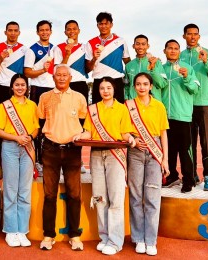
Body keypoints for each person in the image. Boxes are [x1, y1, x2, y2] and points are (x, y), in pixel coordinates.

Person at [73, 77, 134, 255]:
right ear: (98, 91)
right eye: (102, 88)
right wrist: (79, 135)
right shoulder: (93, 110)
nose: (105, 91)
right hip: (97, 154)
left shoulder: (122, 109)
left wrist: (129, 138)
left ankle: (115, 241)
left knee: (115, 198)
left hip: (116, 155)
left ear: (114, 90)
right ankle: (104, 236)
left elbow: (124, 133)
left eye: (108, 88)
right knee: (99, 197)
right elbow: (89, 132)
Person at [37, 64, 87, 251]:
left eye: (65, 75)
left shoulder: (79, 98)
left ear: (70, 77)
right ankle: (48, 235)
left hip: (73, 149)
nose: (62, 78)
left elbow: (83, 121)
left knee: (74, 194)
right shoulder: (45, 97)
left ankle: (75, 235)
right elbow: (41, 119)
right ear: (53, 77)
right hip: (50, 148)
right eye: (58, 75)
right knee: (50, 195)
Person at [126, 72, 169, 256]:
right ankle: (139, 239)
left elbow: (163, 132)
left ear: (151, 86)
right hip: (135, 151)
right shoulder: (129, 106)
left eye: (145, 84)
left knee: (152, 197)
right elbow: (124, 131)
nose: (142, 87)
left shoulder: (158, 106)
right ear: (134, 87)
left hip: (155, 150)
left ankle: (151, 240)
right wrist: (133, 139)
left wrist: (165, 159)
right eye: (138, 84)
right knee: (136, 197)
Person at [0, 74, 39, 247]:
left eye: (23, 85)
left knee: (25, 190)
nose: (20, 87)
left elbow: (36, 128)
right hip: (10, 148)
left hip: (27, 148)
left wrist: (28, 137)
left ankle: (22, 230)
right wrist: (16, 138)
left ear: (26, 87)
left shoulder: (32, 105)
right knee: (11, 189)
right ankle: (11, 230)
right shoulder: (5, 106)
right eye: (17, 85)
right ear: (11, 87)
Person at [180, 23, 208, 190]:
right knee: (188, 143)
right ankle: (191, 175)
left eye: (195, 34)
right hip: (186, 105)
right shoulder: (180, 56)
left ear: (199, 36)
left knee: (207, 142)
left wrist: (206, 62)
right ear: (184, 36)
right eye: (189, 34)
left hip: (204, 103)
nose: (192, 37)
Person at [161, 39, 199, 193]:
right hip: (165, 116)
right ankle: (172, 176)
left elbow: (194, 89)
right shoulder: (160, 68)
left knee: (185, 150)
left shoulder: (187, 68)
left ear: (179, 51)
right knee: (168, 150)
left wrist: (186, 77)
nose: (173, 51)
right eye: (170, 48)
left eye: (176, 48)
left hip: (182, 116)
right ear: (164, 51)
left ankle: (188, 179)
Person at [53, 19, 89, 174]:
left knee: (79, 123)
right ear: (65, 32)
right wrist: (67, 54)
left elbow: (89, 66)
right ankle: (61, 160)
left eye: (74, 29)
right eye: (69, 29)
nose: (72, 31)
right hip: (63, 84)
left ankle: (78, 159)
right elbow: (59, 69)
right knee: (62, 121)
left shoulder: (85, 47)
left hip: (80, 84)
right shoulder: (59, 48)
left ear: (79, 30)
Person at [24, 20, 55, 174]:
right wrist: (43, 70)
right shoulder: (32, 50)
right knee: (38, 126)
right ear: (37, 32)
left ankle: (50, 159)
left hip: (53, 90)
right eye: (41, 30)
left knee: (51, 125)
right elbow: (27, 72)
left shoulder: (55, 49)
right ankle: (38, 161)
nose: (44, 32)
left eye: (47, 30)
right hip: (38, 89)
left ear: (51, 31)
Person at [85, 12, 131, 104]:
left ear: (111, 24)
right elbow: (87, 69)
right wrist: (94, 58)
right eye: (101, 24)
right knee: (98, 113)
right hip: (98, 80)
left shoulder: (120, 41)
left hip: (117, 80)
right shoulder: (90, 43)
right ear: (97, 25)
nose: (103, 26)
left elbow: (128, 63)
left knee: (118, 113)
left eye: (106, 23)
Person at [0, 21, 27, 103]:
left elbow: (27, 71)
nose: (13, 33)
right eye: (10, 30)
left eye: (15, 31)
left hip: (18, 88)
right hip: (2, 88)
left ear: (19, 33)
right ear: (5, 32)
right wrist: (0, 61)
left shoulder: (24, 49)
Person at [124, 34, 167, 101]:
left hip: (152, 104)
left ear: (148, 46)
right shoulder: (128, 66)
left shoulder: (157, 62)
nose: (140, 47)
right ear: (133, 46)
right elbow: (126, 85)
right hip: (134, 105)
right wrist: (126, 98)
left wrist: (153, 69)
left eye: (143, 44)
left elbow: (162, 84)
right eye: (138, 44)